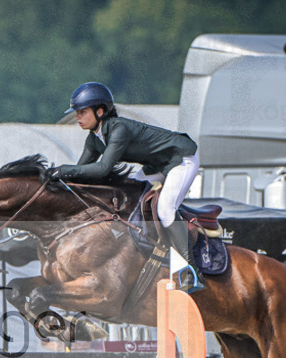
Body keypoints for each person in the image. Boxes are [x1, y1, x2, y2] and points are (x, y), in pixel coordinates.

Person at [49, 82, 204, 292]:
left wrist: (64, 170)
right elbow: (80, 173)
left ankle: (193, 271)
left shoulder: (118, 129)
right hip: (156, 165)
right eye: (77, 112)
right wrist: (56, 180)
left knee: (165, 209)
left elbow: (103, 169)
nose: (78, 117)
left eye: (83, 112)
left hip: (181, 159)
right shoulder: (94, 139)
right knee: (132, 198)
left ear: (100, 111)